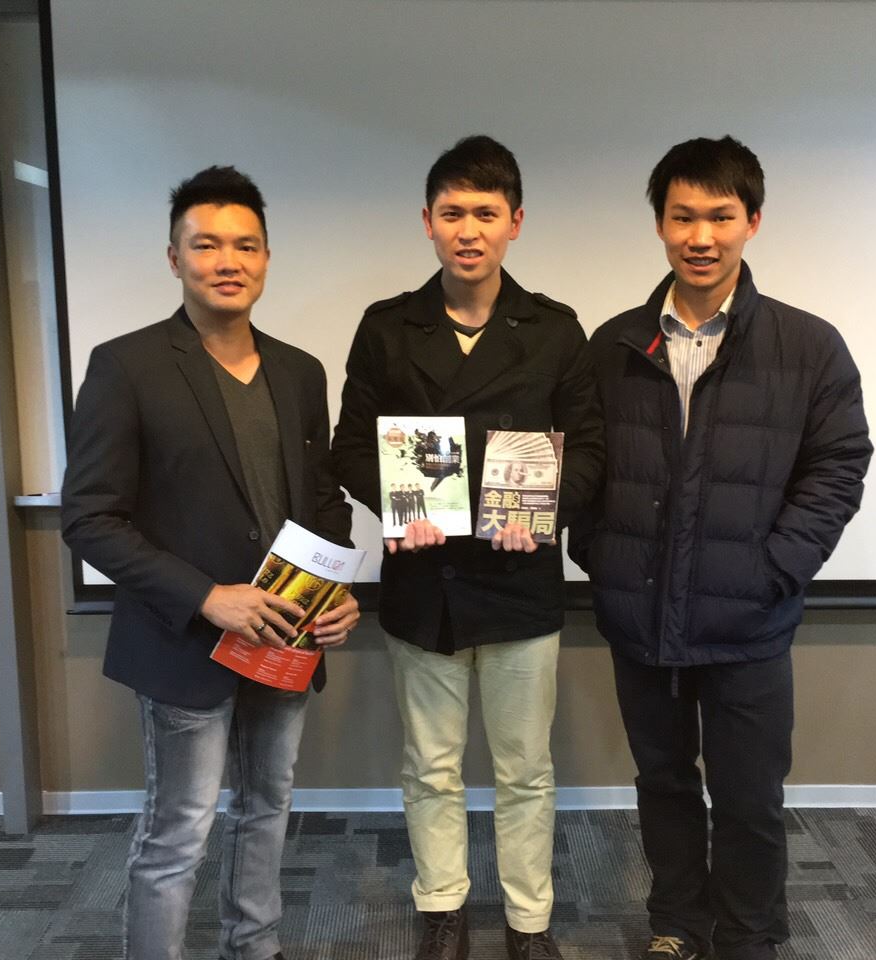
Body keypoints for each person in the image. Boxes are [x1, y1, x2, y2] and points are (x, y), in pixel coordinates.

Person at [569, 137, 873, 960]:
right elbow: (583, 465)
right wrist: (601, 553)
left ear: (752, 222)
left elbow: (839, 464)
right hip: (641, 620)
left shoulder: (808, 347)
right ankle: (677, 922)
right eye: (682, 217)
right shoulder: (614, 344)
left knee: (748, 797)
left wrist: (776, 568)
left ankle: (746, 937)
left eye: (720, 216)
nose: (700, 237)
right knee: (664, 784)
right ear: (660, 225)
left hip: (749, 622)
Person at [61, 165, 359, 960]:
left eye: (246, 245)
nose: (228, 261)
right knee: (179, 832)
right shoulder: (127, 366)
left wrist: (338, 590)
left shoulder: (299, 371)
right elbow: (89, 518)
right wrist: (206, 597)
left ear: (266, 258)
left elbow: (320, 497)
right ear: (174, 258)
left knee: (268, 808)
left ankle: (254, 948)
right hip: (186, 642)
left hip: (286, 637)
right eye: (206, 245)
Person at [332, 135, 604, 960]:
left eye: (486, 213)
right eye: (452, 213)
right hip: (426, 580)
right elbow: (349, 447)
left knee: (525, 770)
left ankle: (529, 922)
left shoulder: (556, 329)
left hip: (521, 581)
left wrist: (545, 513)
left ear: (515, 221)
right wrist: (396, 508)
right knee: (431, 766)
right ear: (428, 221)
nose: (469, 230)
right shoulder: (387, 327)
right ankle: (442, 910)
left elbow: (591, 449)